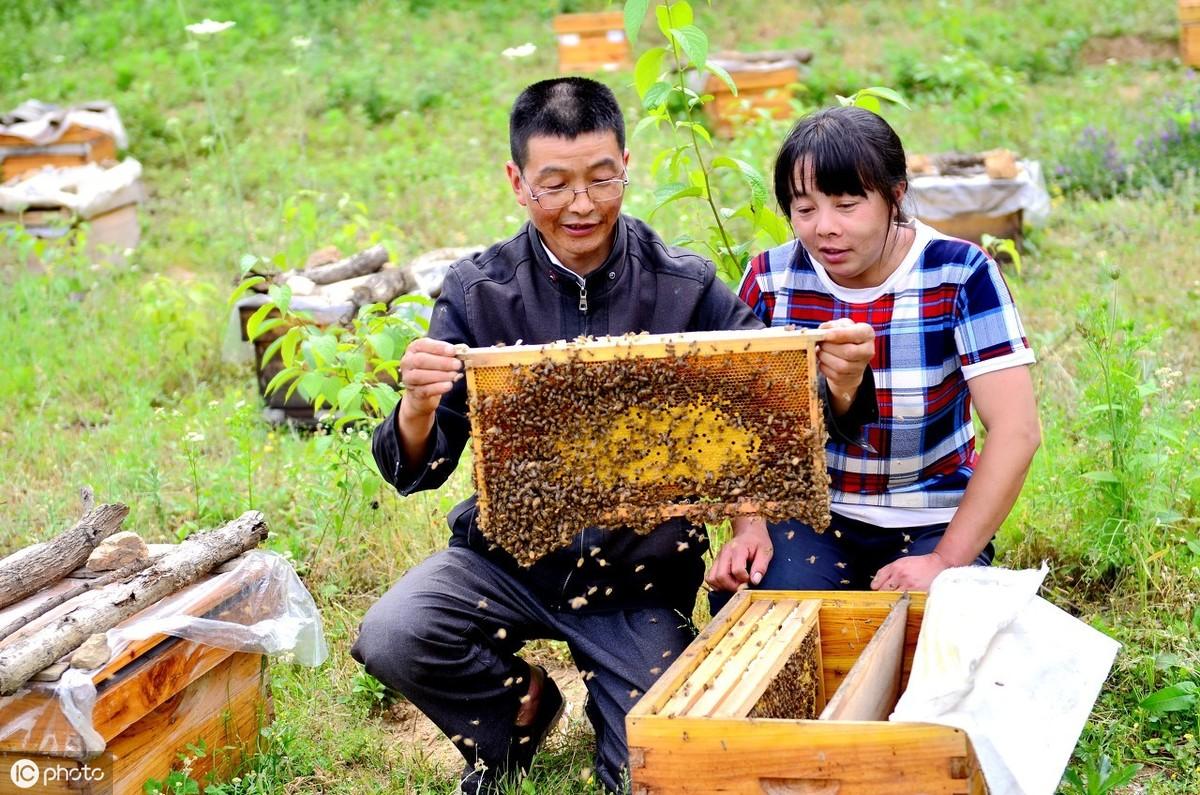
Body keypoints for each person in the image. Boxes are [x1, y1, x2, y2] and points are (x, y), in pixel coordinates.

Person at [350, 78, 874, 793]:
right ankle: (517, 713)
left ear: (626, 162)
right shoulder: (479, 291)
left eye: (602, 178)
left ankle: (623, 702)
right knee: (395, 632)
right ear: (517, 181)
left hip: (639, 580)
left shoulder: (685, 285)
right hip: (506, 562)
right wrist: (416, 403)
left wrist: (839, 382)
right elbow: (419, 467)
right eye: (555, 184)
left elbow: (772, 414)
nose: (582, 204)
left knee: (652, 772)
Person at [707, 106, 1041, 603]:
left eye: (847, 205)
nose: (825, 228)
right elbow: (742, 426)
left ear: (895, 196)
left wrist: (944, 561)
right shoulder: (771, 279)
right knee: (767, 617)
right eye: (804, 209)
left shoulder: (959, 273)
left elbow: (1017, 432)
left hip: (931, 515)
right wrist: (750, 528)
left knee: (936, 636)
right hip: (812, 515)